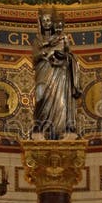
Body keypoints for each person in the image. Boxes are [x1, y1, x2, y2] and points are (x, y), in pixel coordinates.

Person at [32, 8, 81, 139]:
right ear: (40, 23)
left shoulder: (61, 38)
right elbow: (35, 57)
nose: (47, 23)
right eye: (44, 21)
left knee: (60, 100)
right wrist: (45, 52)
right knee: (40, 96)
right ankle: (40, 126)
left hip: (59, 73)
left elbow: (68, 54)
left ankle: (60, 128)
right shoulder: (38, 40)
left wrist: (62, 56)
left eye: (49, 20)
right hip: (43, 70)